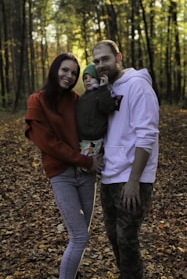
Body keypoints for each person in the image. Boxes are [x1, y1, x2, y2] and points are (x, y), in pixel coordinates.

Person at [25, 53, 103, 279]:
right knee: (80, 237)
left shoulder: (76, 99)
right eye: (65, 70)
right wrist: (87, 161)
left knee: (81, 234)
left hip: (85, 174)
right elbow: (49, 144)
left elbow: (90, 127)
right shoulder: (37, 100)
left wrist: (97, 153)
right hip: (62, 175)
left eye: (74, 73)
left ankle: (73, 273)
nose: (69, 76)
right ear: (54, 69)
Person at [92, 40, 159, 279]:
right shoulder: (107, 89)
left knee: (127, 238)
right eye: (96, 61)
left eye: (105, 59)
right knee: (114, 237)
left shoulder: (138, 86)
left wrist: (134, 181)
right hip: (110, 175)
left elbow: (147, 134)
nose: (101, 65)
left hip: (132, 178)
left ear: (118, 57)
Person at [76, 63, 122, 172]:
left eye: (92, 77)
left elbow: (107, 107)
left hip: (95, 137)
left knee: (90, 167)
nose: (88, 80)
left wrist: (103, 88)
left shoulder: (101, 93)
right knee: (83, 166)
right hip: (82, 138)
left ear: (98, 78)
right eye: (85, 78)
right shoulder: (82, 97)